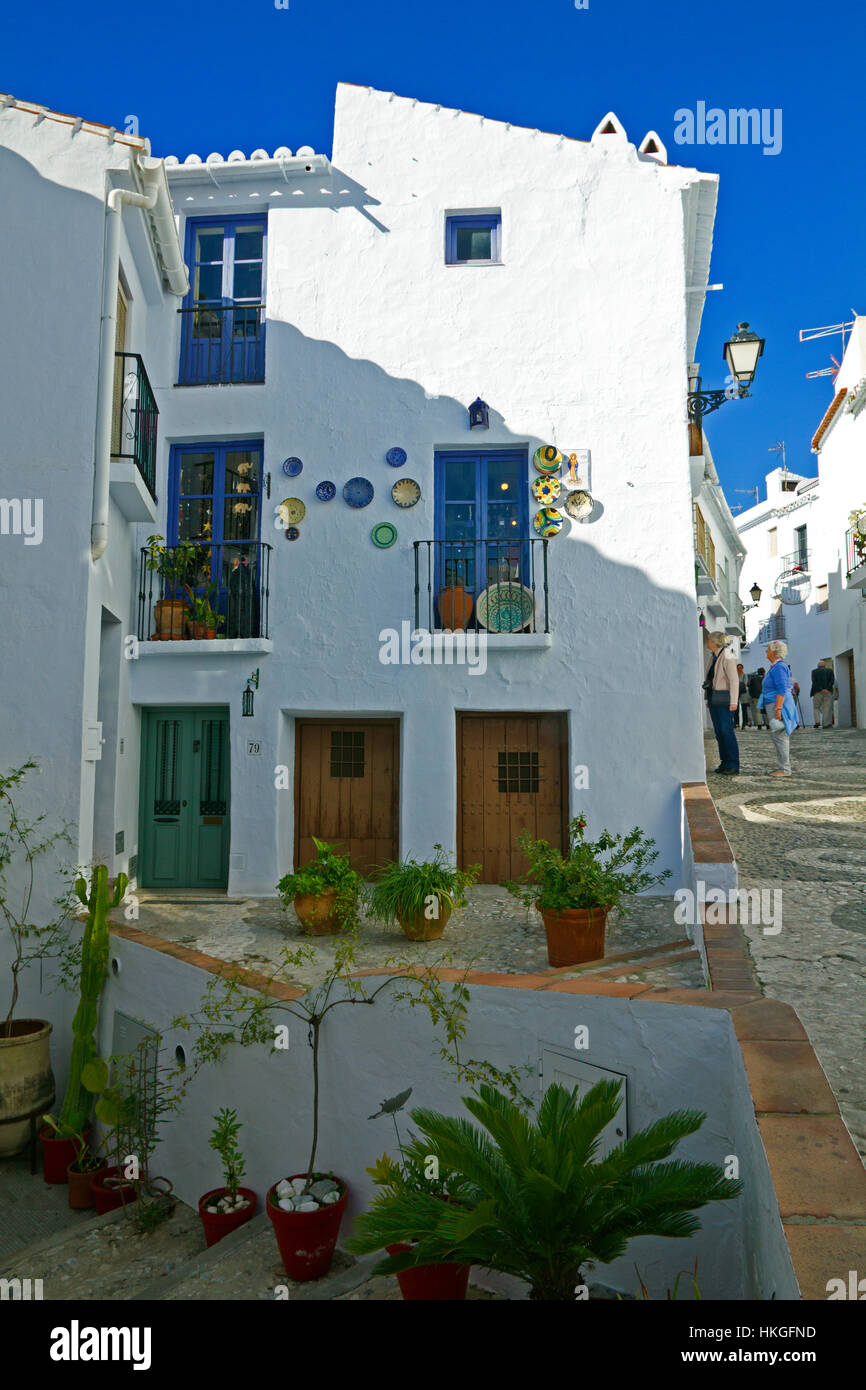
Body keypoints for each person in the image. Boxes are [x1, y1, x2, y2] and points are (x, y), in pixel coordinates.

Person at [760, 639, 799, 776]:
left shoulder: (779, 667)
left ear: (774, 652)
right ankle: (782, 767)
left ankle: (785, 769)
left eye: (768, 649)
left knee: (780, 736)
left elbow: (782, 689)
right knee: (778, 736)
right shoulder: (776, 666)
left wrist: (778, 709)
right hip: (774, 703)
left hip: (777, 704)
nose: (766, 651)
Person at [703, 631, 740, 775]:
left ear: (715, 641)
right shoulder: (713, 657)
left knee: (726, 731)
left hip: (724, 699)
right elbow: (711, 678)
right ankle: (724, 762)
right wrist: (708, 697)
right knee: (719, 732)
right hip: (714, 698)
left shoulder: (727, 654)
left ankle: (733, 763)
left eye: (709, 639)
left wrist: (734, 701)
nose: (707, 642)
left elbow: (734, 679)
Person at [810, 659, 835, 729]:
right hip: (828, 692)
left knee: (816, 707)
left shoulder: (814, 671)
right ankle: (825, 724)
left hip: (817, 692)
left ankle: (817, 722)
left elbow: (814, 682)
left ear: (818, 666)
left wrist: (821, 689)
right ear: (825, 665)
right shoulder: (830, 671)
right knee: (826, 707)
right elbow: (832, 680)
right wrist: (826, 688)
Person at [737, 664, 752, 728]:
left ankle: (744, 722)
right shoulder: (735, 675)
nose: (739, 669)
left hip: (743, 693)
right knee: (736, 709)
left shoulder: (744, 675)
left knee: (744, 709)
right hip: (737, 693)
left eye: (740, 668)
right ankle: (736, 722)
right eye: (738, 668)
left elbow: (745, 683)